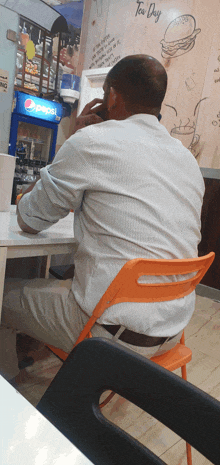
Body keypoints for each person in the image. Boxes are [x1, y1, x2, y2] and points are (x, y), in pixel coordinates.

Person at [1, 55, 205, 382]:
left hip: (112, 334)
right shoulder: (187, 161)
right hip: (172, 330)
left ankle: (10, 391)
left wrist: (73, 139)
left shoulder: (92, 141)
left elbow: (29, 218)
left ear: (111, 97)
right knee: (63, 283)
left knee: (3, 292)